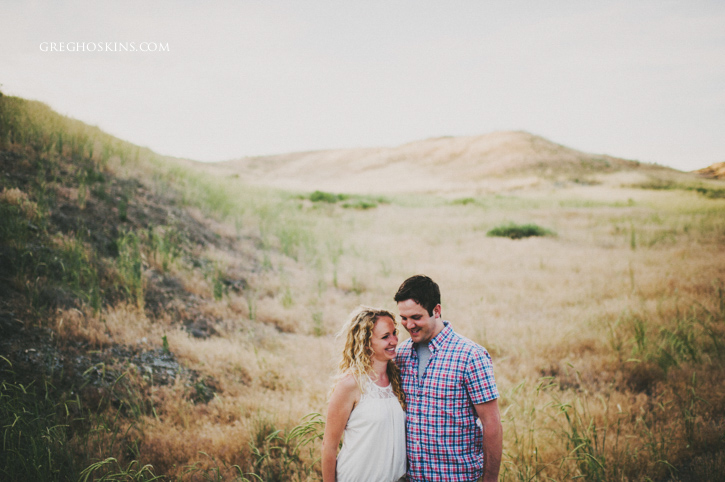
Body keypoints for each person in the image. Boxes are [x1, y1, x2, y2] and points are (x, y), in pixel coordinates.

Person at [394, 275, 502, 482]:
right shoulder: (401, 355)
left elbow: (492, 424)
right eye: (404, 318)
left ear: (436, 311)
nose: (409, 325)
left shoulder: (470, 356)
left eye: (416, 317)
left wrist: (490, 479)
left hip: (457, 477)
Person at [321, 306, 407, 482]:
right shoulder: (351, 384)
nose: (394, 340)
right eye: (385, 337)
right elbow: (329, 446)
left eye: (394, 333)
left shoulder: (398, 378)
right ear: (366, 343)